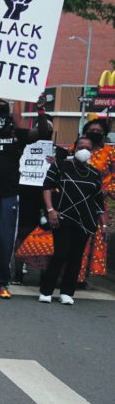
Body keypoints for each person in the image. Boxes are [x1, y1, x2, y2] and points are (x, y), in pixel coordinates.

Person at [0, 96, 51, 298]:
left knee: (5, 241)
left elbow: (43, 132)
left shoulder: (18, 135)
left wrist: (40, 110)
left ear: (9, 117)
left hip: (8, 196)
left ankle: (2, 283)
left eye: (3, 114)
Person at [39, 136, 105, 305]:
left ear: (92, 152)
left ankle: (67, 292)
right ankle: (46, 290)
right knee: (60, 254)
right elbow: (46, 187)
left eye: (88, 148)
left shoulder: (95, 174)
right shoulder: (60, 166)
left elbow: (98, 202)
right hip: (63, 217)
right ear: (74, 149)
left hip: (85, 220)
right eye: (81, 147)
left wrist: (103, 224)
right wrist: (50, 209)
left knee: (76, 257)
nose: (84, 151)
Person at [76, 118, 114, 286]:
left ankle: (82, 277)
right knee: (74, 238)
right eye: (92, 130)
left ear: (104, 134)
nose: (95, 133)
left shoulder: (110, 152)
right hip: (75, 200)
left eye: (99, 131)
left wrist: (108, 189)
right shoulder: (76, 148)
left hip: (97, 202)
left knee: (92, 240)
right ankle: (71, 275)